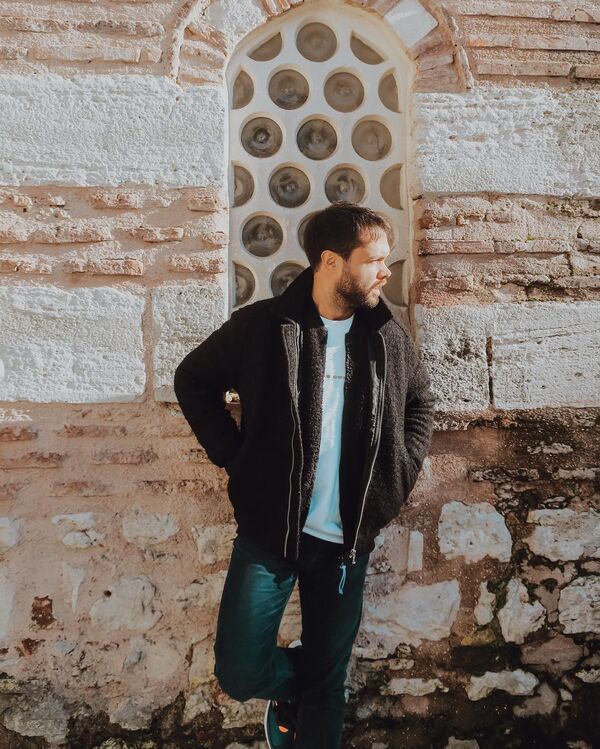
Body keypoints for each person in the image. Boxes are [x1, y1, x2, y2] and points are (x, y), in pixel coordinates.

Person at [173, 202, 436, 749]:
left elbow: (419, 404)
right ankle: (297, 682)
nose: (386, 273)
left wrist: (401, 472)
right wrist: (236, 457)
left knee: (328, 688)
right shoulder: (263, 328)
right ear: (330, 262)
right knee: (241, 671)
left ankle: (312, 692)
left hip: (346, 543)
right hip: (271, 535)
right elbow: (193, 379)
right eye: (374, 261)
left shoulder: (386, 335)